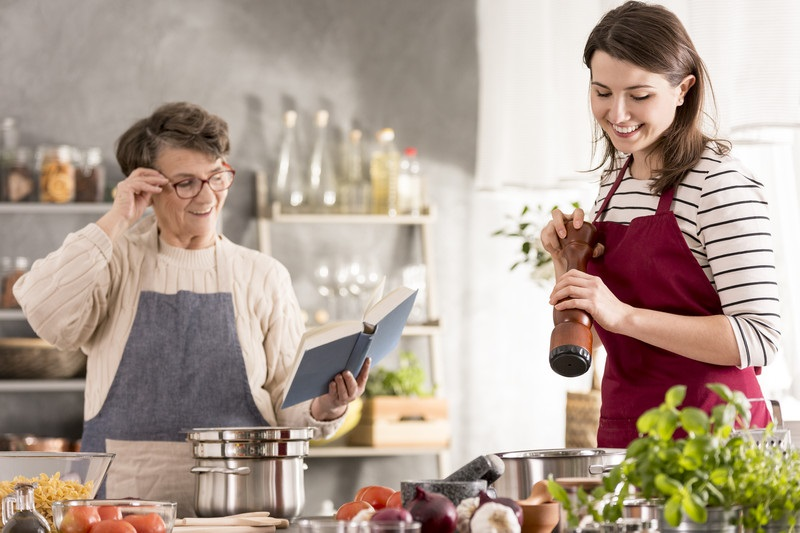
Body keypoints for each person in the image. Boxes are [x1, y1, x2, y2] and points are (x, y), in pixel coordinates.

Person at [13, 102, 369, 515]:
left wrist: (325, 407)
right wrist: (118, 217)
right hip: (122, 514)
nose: (207, 196)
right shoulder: (115, 262)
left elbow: (289, 405)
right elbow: (42, 309)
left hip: (243, 511)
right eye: (186, 182)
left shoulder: (263, 275)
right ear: (148, 187)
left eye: (216, 177)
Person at [541, 1, 781, 448]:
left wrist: (624, 315)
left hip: (714, 439)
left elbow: (759, 336)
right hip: (627, 431)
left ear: (683, 89)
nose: (617, 114)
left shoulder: (719, 182)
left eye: (639, 95)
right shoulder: (613, 182)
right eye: (602, 92)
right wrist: (566, 266)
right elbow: (602, 330)